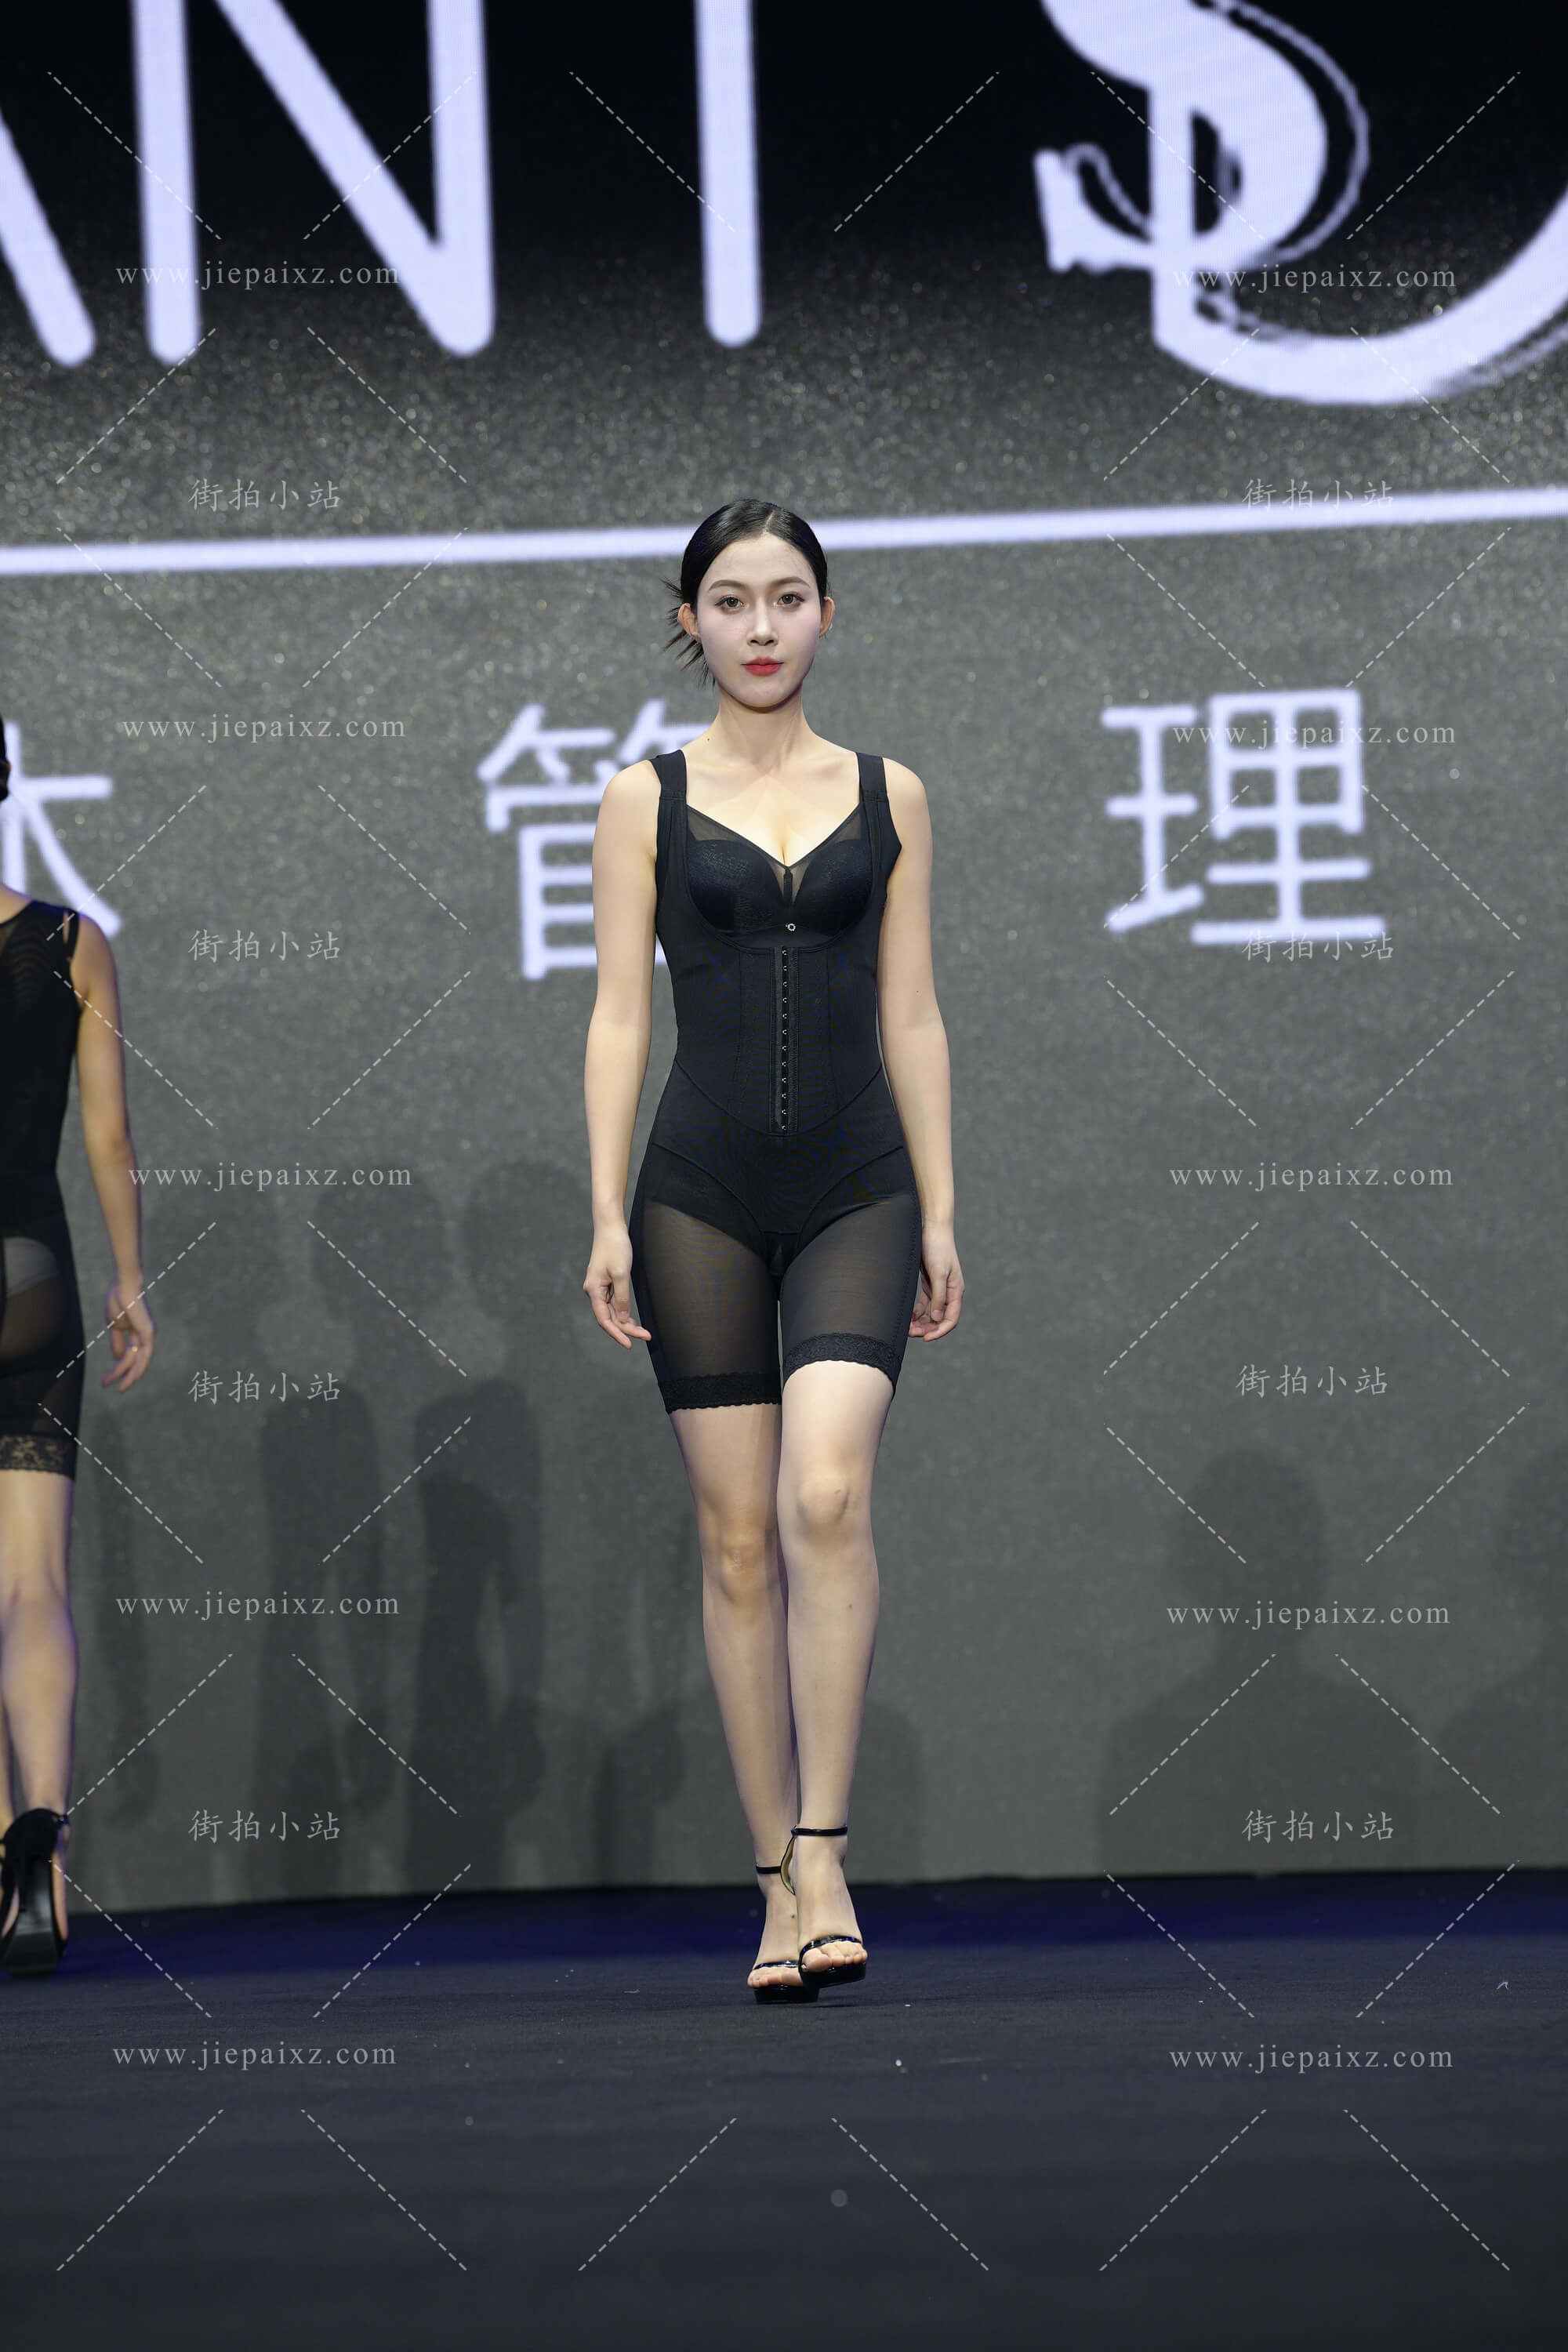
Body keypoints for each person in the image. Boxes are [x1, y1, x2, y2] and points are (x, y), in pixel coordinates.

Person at [582, 500, 962, 2001]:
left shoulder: (890, 792)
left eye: (787, 597)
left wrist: (942, 1208)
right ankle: (772, 1883)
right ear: (689, 619)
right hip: (699, 1195)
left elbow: (914, 1009)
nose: (760, 626)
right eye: (731, 600)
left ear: (826, 614)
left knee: (825, 1493)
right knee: (738, 1537)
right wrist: (603, 1209)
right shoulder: (644, 798)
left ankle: (826, 1848)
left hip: (861, 1182)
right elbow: (619, 1012)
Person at [0, 713, 156, 1974]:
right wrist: (131, 1282)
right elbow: (108, 1137)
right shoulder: (70, 940)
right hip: (34, 1272)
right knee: (34, 1584)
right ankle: (41, 1844)